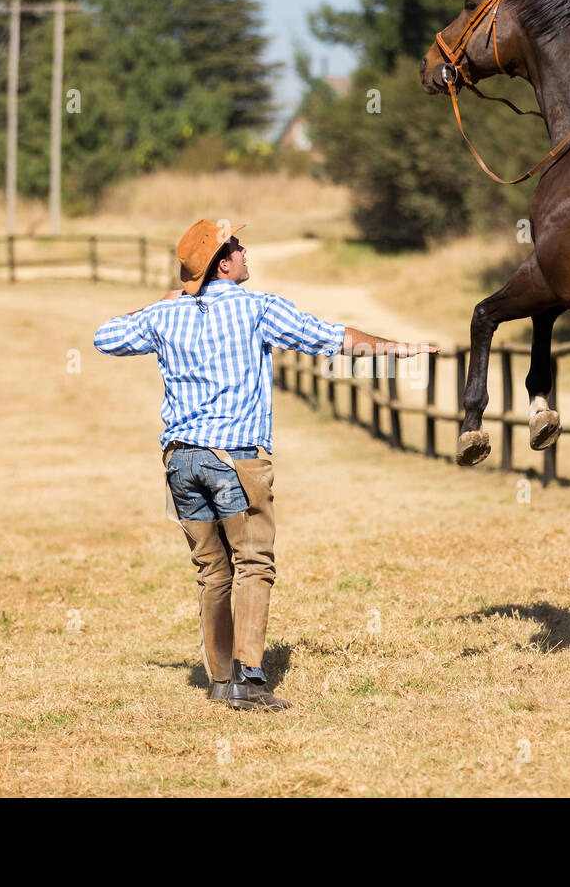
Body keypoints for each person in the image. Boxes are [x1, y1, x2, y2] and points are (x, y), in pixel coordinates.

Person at [94, 219, 435, 711]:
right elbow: (331, 338)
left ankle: (219, 679)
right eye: (235, 245)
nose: (244, 249)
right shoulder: (257, 309)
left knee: (212, 571)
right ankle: (249, 680)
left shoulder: (164, 317)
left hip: (180, 463)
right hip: (236, 461)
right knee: (254, 563)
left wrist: (165, 302)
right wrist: (399, 349)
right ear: (224, 263)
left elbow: (105, 337)